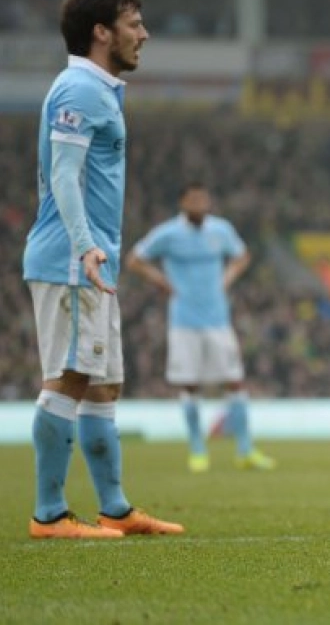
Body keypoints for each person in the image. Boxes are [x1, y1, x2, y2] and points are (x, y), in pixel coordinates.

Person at [22, 0, 184, 538]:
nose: (144, 34)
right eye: (134, 24)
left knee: (103, 383)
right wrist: (87, 244)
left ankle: (114, 507)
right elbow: (64, 176)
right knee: (68, 376)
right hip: (73, 260)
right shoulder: (79, 91)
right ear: (101, 32)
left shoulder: (99, 89)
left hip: (95, 262)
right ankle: (48, 514)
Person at [125, 182, 275, 472]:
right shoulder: (168, 234)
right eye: (193, 200)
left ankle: (245, 450)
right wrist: (162, 282)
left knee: (234, 381)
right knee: (190, 385)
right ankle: (198, 450)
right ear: (183, 203)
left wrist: (227, 279)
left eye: (203, 200)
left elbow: (242, 256)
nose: (199, 206)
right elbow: (135, 260)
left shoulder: (221, 230)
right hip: (184, 321)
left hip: (218, 320)